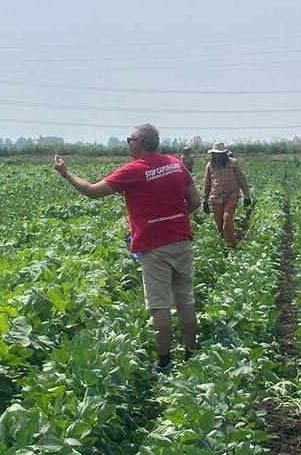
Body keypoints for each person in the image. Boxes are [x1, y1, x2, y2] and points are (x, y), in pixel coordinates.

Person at [53, 123, 201, 374]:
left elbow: (92, 191)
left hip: (155, 246)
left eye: (129, 140)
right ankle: (191, 354)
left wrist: (66, 173)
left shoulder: (134, 170)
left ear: (139, 143)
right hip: (181, 241)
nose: (127, 144)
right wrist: (172, 219)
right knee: (185, 301)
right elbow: (195, 202)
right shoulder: (176, 164)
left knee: (159, 306)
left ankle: (164, 362)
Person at [202, 142, 251, 247]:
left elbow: (240, 178)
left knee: (227, 218)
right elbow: (207, 183)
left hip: (231, 195)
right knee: (219, 224)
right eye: (216, 154)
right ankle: (223, 244)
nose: (218, 156)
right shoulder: (210, 166)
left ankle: (231, 244)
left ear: (224, 154)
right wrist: (204, 200)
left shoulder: (233, 163)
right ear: (213, 155)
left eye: (220, 154)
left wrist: (247, 195)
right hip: (216, 197)